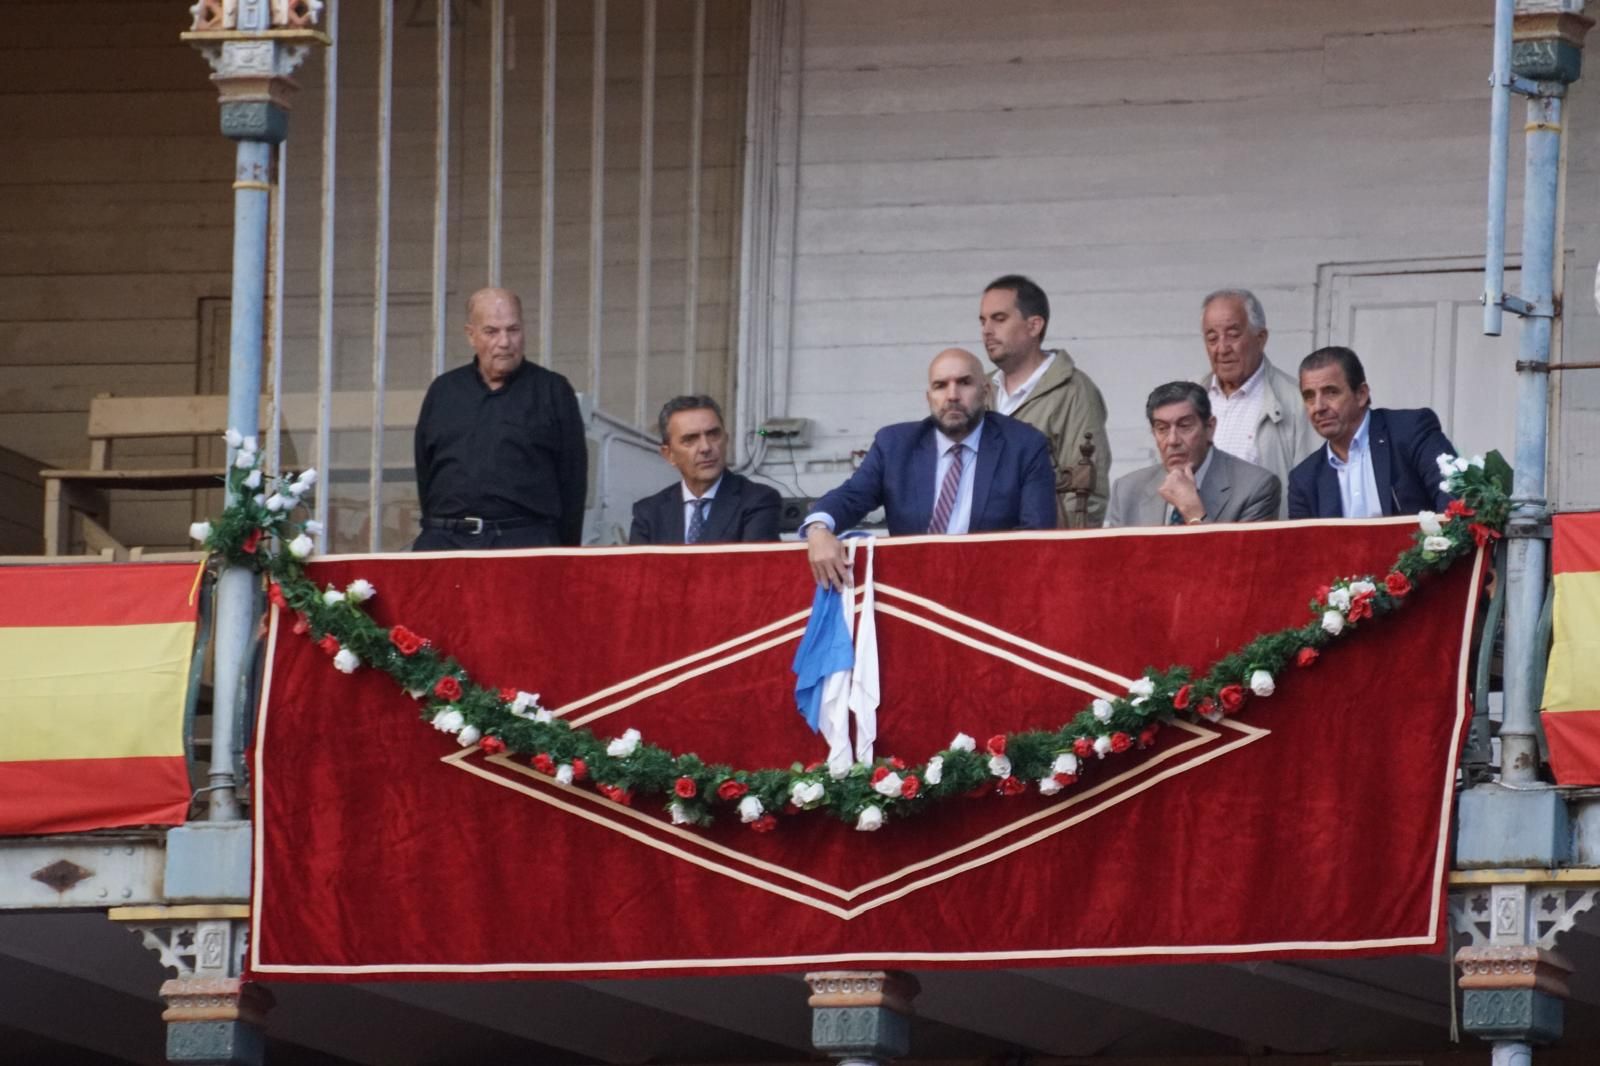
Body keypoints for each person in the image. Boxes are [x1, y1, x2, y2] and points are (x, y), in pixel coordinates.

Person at [802, 348, 1056, 587]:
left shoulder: (1023, 445)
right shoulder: (895, 445)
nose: (952, 395)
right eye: (940, 385)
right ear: (929, 397)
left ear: (985, 392)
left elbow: (1036, 535)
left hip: (993, 587)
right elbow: (852, 496)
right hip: (911, 590)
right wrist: (819, 529)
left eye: (964, 382)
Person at [412, 287, 588, 550]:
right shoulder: (444, 390)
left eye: (513, 329)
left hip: (525, 544)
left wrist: (564, 554)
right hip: (445, 542)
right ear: (471, 335)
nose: (505, 342)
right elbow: (425, 471)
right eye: (491, 331)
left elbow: (573, 480)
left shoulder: (552, 390)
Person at [979, 275, 1111, 527]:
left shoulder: (1074, 390)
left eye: (999, 318)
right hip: (980, 550)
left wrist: (1066, 554)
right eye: (983, 320)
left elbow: (1088, 491)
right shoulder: (978, 389)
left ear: (1034, 325)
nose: (986, 330)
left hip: (1043, 552)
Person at [1287, 346, 1457, 519]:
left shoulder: (1410, 431)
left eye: (1331, 392)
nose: (1318, 407)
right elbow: (1304, 544)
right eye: (1309, 396)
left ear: (1361, 394)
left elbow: (1456, 502)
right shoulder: (1303, 479)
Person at [1197, 288, 1316, 518]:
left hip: (1264, 542)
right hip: (1195, 539)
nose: (1222, 348)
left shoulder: (1296, 402)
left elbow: (1309, 491)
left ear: (1261, 338)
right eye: (1212, 338)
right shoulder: (1191, 398)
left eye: (1233, 334)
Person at [1105, 381, 1281, 527]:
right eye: (1162, 429)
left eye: (1184, 426)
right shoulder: (1127, 491)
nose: (1172, 440)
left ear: (1210, 428)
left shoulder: (1255, 488)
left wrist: (1193, 513)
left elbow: (1243, 565)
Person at [629, 395, 781, 545]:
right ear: (669, 455)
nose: (706, 447)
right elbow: (639, 569)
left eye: (713, 435)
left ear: (726, 440)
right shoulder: (649, 512)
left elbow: (755, 567)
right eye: (690, 439)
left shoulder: (758, 500)